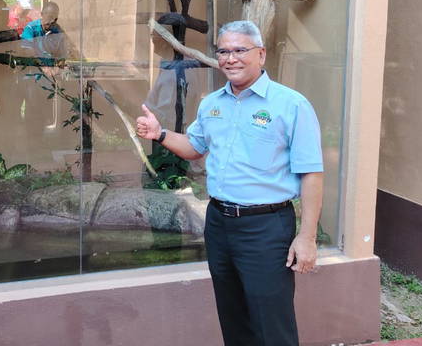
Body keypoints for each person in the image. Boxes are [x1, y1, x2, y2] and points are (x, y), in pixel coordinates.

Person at [136, 20, 323, 346]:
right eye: (223, 51)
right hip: (220, 223)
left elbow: (312, 174)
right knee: (233, 317)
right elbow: (195, 147)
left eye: (240, 50)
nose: (230, 58)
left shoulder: (291, 105)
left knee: (271, 322)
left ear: (261, 54)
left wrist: (306, 238)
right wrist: (160, 134)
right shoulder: (213, 104)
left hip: (266, 227)